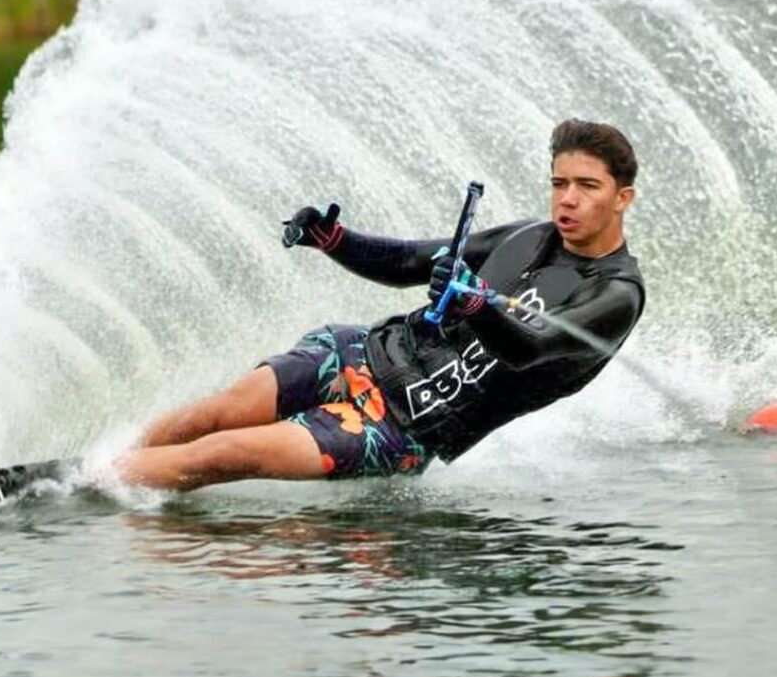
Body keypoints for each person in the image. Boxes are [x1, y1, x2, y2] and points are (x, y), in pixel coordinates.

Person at [116, 118, 645, 490]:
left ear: (622, 197)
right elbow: (408, 262)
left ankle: (85, 492)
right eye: (559, 184)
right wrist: (335, 240)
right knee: (216, 415)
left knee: (221, 456)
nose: (567, 199)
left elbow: (532, 348)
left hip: (399, 429)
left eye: (586, 186)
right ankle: (94, 469)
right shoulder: (528, 236)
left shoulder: (615, 295)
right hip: (362, 353)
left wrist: (475, 305)